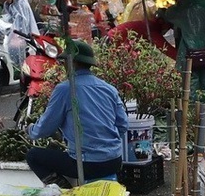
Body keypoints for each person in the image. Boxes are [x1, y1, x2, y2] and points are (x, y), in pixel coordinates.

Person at [26, 40, 129, 185]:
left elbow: (45, 128)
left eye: (65, 63)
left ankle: (65, 190)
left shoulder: (66, 89)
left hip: (87, 164)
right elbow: (123, 125)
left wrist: (30, 130)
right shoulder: (109, 89)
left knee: (33, 156)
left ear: (72, 63)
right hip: (114, 160)